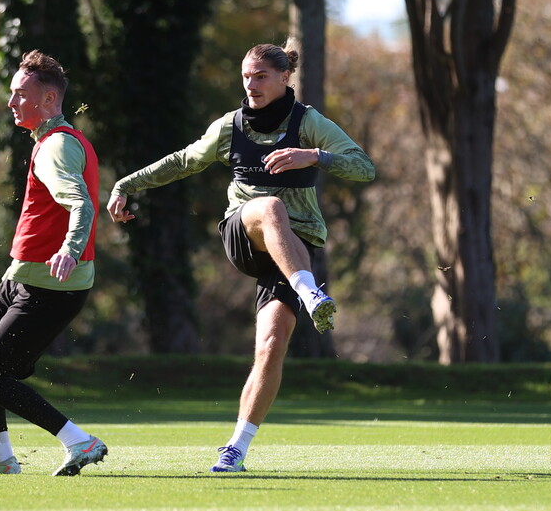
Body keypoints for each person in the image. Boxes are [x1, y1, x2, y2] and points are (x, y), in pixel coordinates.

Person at [107, 39, 375, 473]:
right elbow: (182, 161)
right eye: (246, 77)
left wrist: (315, 155)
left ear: (285, 77)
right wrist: (126, 184)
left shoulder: (308, 123)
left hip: (293, 246)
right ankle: (310, 292)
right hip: (244, 234)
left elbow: (364, 167)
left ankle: (236, 448)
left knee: (271, 346)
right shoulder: (229, 126)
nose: (251, 85)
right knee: (269, 206)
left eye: (261, 77)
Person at [0, 50, 107, 476]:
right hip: (24, 277)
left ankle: (80, 442)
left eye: (21, 94)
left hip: (52, 285)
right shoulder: (55, 140)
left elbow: (82, 205)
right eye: (12, 93)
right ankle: (1, 458)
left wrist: (71, 249)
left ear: (50, 99)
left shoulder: (55, 147)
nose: (11, 102)